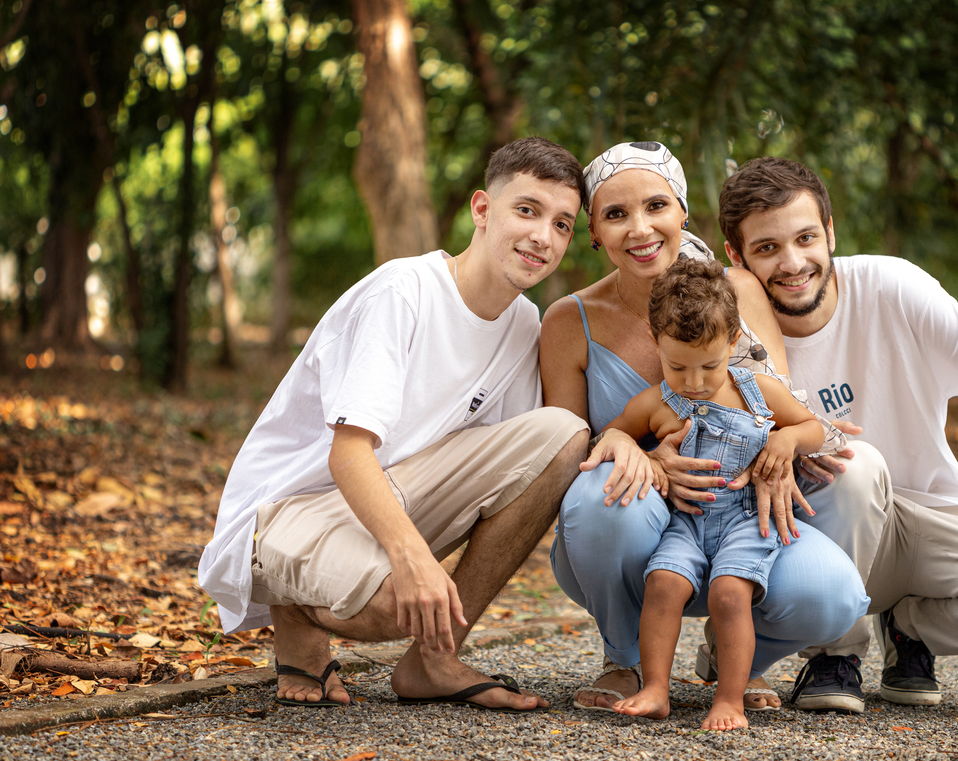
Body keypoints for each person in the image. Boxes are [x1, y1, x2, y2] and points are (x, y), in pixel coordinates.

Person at [199, 138, 591, 712]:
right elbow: (348, 455)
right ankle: (295, 618)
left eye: (562, 224)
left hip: (397, 493)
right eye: (527, 210)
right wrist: (414, 562)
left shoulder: (524, 323)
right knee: (392, 607)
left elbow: (514, 476)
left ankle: (435, 659)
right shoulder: (403, 291)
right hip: (293, 508)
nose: (543, 237)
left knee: (565, 434)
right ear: (482, 210)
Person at [718, 157, 958, 714]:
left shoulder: (893, 287)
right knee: (853, 464)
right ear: (736, 257)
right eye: (767, 249)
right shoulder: (727, 331)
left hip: (927, 515)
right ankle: (834, 653)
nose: (793, 263)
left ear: (830, 231)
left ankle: (907, 626)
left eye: (807, 238)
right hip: (819, 529)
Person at [540, 141, 867, 713]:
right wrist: (634, 450)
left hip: (736, 501)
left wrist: (778, 452)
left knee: (834, 593)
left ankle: (739, 663)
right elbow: (569, 451)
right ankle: (628, 662)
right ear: (593, 229)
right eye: (615, 214)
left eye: (656, 206)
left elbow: (778, 409)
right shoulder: (570, 320)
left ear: (682, 212)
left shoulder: (737, 289)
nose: (640, 229)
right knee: (605, 494)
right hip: (633, 517)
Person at [605, 256, 833, 731]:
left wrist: (785, 439)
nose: (694, 382)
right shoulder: (655, 403)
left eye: (710, 365)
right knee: (663, 583)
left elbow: (813, 427)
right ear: (656, 342)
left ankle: (729, 698)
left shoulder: (757, 392)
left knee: (730, 594)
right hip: (685, 520)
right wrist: (642, 454)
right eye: (677, 366)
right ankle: (655, 688)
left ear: (732, 341)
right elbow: (614, 436)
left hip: (749, 518)